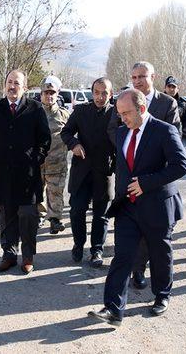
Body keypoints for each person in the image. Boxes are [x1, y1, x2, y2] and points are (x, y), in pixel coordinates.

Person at [88, 89, 186, 326]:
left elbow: (180, 165)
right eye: (119, 114)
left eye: (126, 113)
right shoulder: (122, 133)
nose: (122, 119)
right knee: (122, 257)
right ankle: (113, 309)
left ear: (142, 109)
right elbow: (125, 168)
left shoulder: (164, 130)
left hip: (157, 206)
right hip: (128, 208)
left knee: (159, 253)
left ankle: (162, 295)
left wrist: (146, 183)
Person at [107, 61, 181, 289]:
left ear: (152, 77)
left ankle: (157, 288)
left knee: (158, 246)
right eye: (134, 77)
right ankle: (128, 282)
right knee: (125, 247)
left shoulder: (167, 104)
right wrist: (130, 150)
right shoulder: (123, 106)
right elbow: (114, 129)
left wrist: (144, 154)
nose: (138, 80)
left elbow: (173, 140)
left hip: (156, 185)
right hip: (129, 185)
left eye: (142, 76)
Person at [0, 70, 51, 274]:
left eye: (17, 83)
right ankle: (8, 255)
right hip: (3, 173)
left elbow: (44, 139)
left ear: (25, 87)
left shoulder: (35, 108)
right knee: (7, 216)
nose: (12, 86)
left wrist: (36, 159)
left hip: (28, 174)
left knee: (28, 216)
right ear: (5, 85)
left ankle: (28, 257)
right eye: (9, 82)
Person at [60, 77, 116, 267]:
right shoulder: (81, 111)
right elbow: (66, 132)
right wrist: (74, 144)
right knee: (77, 211)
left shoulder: (116, 113)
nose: (100, 97)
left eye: (105, 93)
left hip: (104, 171)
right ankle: (78, 244)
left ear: (111, 94)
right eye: (97, 93)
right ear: (92, 93)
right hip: (81, 170)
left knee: (101, 215)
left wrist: (116, 164)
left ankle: (97, 250)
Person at [39, 75, 70, 234]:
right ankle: (39, 215)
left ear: (57, 94)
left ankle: (55, 220)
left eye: (52, 93)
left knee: (56, 193)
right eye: (46, 93)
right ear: (41, 95)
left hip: (57, 163)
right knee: (37, 191)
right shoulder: (34, 113)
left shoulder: (65, 115)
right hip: (37, 163)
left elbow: (72, 135)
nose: (49, 96)